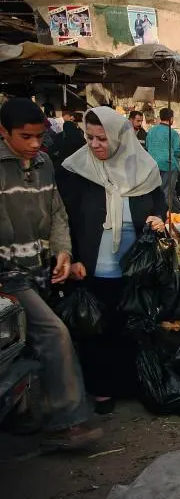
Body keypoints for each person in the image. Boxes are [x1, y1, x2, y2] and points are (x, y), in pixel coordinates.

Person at [0, 98, 102, 448]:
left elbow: (56, 212)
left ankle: (26, 415)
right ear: (3, 132)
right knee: (54, 333)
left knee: (30, 346)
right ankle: (69, 423)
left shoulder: (44, 162)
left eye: (38, 136)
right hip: (8, 276)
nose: (33, 143)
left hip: (41, 269)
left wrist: (63, 253)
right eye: (25, 136)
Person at [58, 107, 166, 415]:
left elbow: (158, 201)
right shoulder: (75, 170)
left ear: (120, 138)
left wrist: (158, 217)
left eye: (102, 139)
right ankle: (102, 389)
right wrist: (74, 258)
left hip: (135, 266)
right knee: (97, 329)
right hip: (93, 265)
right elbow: (63, 218)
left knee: (131, 325)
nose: (94, 145)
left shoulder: (142, 167)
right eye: (89, 137)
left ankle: (132, 384)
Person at [146, 108, 180, 211]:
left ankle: (177, 211)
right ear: (171, 119)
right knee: (167, 193)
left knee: (160, 192)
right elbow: (177, 152)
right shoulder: (173, 133)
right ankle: (165, 218)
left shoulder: (151, 131)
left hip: (153, 166)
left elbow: (148, 147)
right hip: (168, 165)